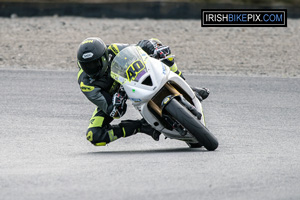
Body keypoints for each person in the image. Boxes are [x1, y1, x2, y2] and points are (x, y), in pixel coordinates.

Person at [77, 37, 209, 146]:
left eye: (95, 64)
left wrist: (151, 47)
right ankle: (141, 126)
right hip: (113, 97)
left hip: (132, 80)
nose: (91, 69)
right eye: (86, 65)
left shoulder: (114, 49)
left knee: (156, 44)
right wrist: (117, 101)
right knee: (94, 135)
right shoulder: (85, 83)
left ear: (104, 57)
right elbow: (114, 111)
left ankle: (186, 86)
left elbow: (137, 50)